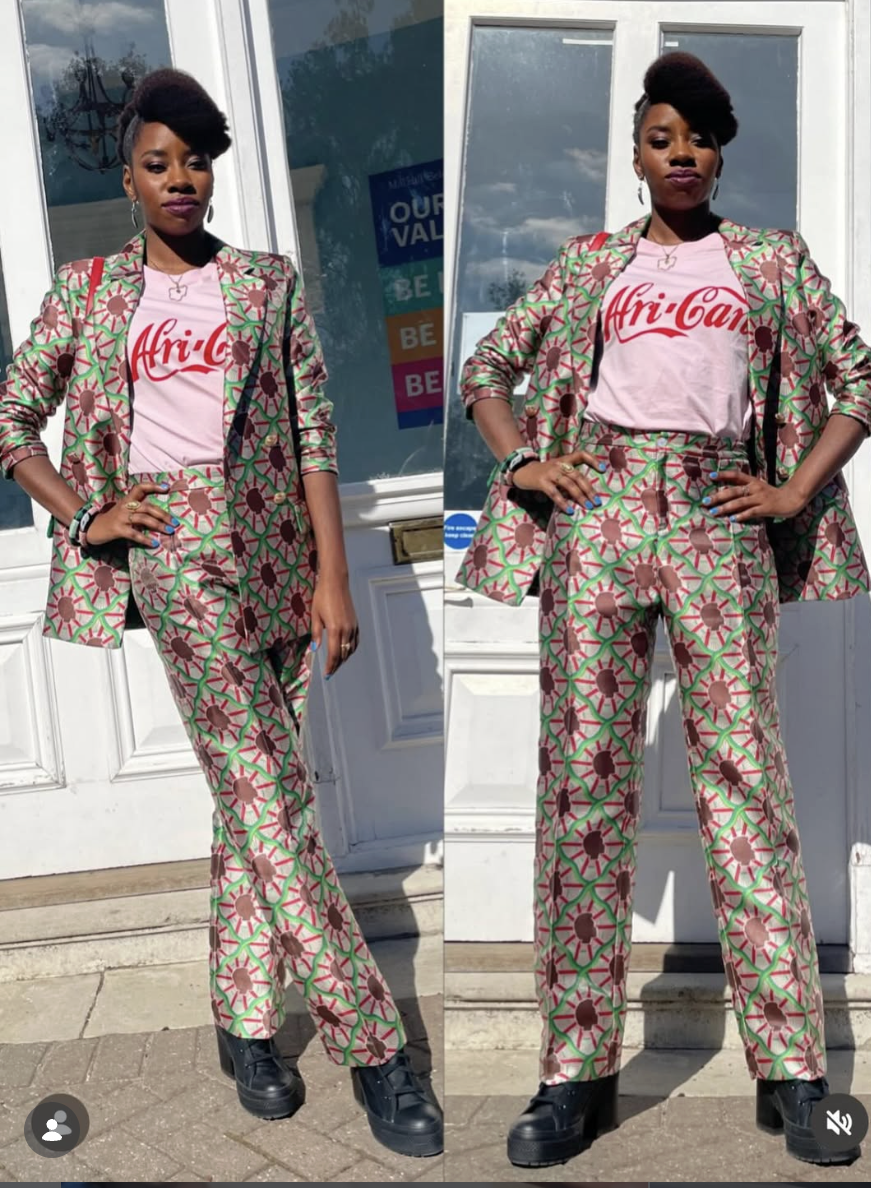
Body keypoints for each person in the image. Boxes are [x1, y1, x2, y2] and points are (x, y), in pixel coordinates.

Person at [0, 68, 442, 1160]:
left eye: (196, 159)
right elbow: (14, 414)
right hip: (175, 551)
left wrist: (334, 577)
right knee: (267, 798)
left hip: (282, 559)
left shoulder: (265, 284)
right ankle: (374, 1048)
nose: (182, 179)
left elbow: (314, 436)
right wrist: (82, 512)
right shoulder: (92, 293)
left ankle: (244, 1025)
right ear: (129, 176)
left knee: (256, 802)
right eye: (160, 162)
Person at [457, 51, 868, 1169]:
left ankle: (789, 1069)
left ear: (719, 150)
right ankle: (572, 1072)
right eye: (658, 137)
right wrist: (528, 461)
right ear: (634, 154)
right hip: (595, 520)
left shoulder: (768, 262)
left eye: (696, 136)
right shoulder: (588, 264)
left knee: (745, 778)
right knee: (582, 778)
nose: (679, 153)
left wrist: (790, 490)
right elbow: (486, 368)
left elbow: (860, 379)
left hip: (718, 516)